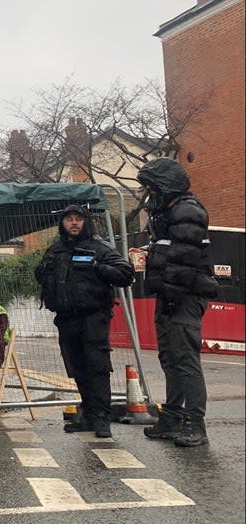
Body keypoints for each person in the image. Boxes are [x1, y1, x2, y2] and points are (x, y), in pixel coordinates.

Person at [34, 204, 133, 439]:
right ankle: (87, 415)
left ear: (86, 222)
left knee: (97, 367)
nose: (74, 223)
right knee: (77, 367)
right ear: (63, 223)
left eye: (79, 219)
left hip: (93, 316)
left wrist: (99, 267)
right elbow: (42, 275)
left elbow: (126, 274)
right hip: (66, 318)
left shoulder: (98, 248)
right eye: (69, 219)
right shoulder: (55, 250)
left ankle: (101, 418)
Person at [138, 157, 217, 447]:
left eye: (152, 186)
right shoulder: (168, 212)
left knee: (185, 360)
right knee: (169, 358)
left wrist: (170, 297)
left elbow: (184, 260)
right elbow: (168, 253)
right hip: (169, 294)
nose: (149, 192)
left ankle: (195, 423)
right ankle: (171, 418)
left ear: (166, 185)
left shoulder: (187, 211)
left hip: (183, 296)